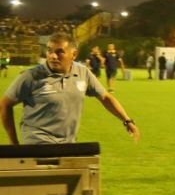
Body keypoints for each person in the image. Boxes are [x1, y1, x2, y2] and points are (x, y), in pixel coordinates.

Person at [2, 33, 141, 145]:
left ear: (74, 55)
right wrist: (14, 143)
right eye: (49, 51)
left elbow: (105, 97)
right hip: (38, 142)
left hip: (68, 143)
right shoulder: (31, 76)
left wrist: (127, 120)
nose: (52, 56)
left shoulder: (82, 73)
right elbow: (4, 105)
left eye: (59, 52)